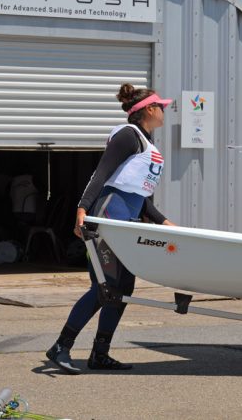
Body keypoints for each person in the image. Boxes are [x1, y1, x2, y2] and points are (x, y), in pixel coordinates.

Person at [46, 83, 175, 374]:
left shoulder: (146, 143)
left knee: (123, 288)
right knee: (106, 287)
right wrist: (82, 208)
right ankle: (61, 346)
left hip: (126, 219)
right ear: (150, 110)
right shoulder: (128, 135)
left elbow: (139, 198)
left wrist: (165, 222)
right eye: (162, 107)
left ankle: (100, 354)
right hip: (108, 216)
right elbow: (102, 172)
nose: (165, 111)